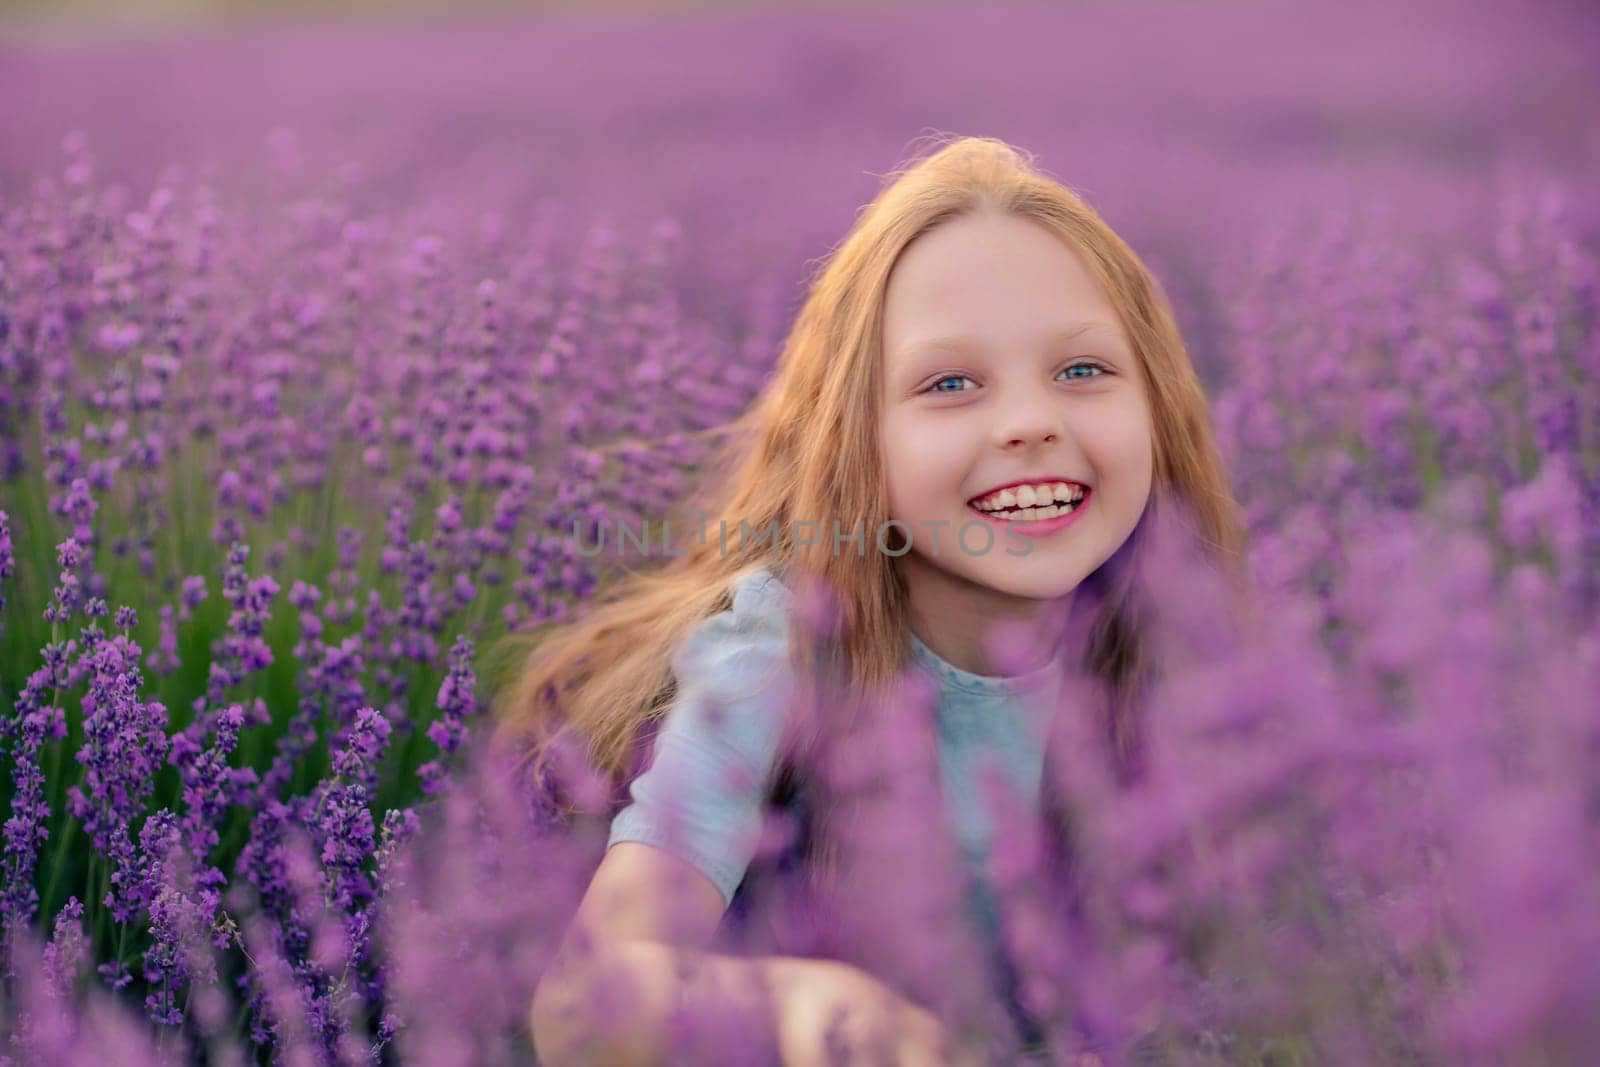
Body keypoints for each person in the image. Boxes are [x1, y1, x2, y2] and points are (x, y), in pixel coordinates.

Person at [488, 134, 1250, 1066]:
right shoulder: (784, 650)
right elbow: (583, 1002)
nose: (1030, 422)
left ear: (1161, 408)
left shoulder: (1186, 653)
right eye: (951, 384)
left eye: (1082, 371)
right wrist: (813, 1008)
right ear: (859, 443)